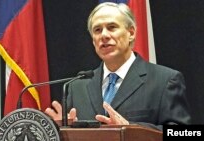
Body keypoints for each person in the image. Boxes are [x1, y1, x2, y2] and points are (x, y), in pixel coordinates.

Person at [45, 2, 191, 130]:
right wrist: (62, 131)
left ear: (131, 33)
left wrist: (131, 129)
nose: (104, 35)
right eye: (97, 30)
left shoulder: (165, 80)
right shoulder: (77, 86)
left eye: (112, 27)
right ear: (93, 40)